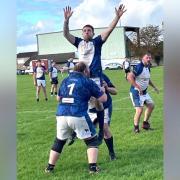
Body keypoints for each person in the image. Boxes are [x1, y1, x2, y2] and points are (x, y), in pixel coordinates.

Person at [63, 4, 126, 143]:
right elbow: (66, 34)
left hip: (95, 78)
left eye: (89, 30)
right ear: (82, 33)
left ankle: (101, 131)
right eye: (84, 30)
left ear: (92, 33)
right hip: (80, 79)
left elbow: (109, 30)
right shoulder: (78, 42)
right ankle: (73, 131)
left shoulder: (97, 42)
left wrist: (117, 17)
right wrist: (66, 20)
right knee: (77, 103)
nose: (86, 32)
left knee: (99, 101)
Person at [45, 62, 107, 174]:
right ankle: (93, 168)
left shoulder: (65, 80)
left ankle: (49, 167)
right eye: (88, 70)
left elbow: (58, 98)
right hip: (77, 114)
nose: (89, 72)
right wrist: (101, 89)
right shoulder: (87, 81)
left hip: (61, 114)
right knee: (92, 141)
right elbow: (103, 99)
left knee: (59, 141)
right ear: (84, 71)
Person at [67, 73, 118, 161]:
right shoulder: (80, 79)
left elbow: (115, 91)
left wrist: (107, 88)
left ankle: (112, 153)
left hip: (104, 107)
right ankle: (75, 133)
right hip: (90, 109)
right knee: (87, 128)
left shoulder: (101, 76)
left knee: (105, 128)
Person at [127, 52, 159, 133]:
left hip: (144, 92)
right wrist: (137, 87)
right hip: (136, 92)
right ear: (142, 59)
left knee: (151, 105)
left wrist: (154, 87)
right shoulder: (139, 67)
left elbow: (147, 79)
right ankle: (136, 128)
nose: (149, 59)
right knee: (139, 110)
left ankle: (145, 124)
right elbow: (129, 77)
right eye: (147, 57)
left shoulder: (148, 67)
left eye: (150, 57)